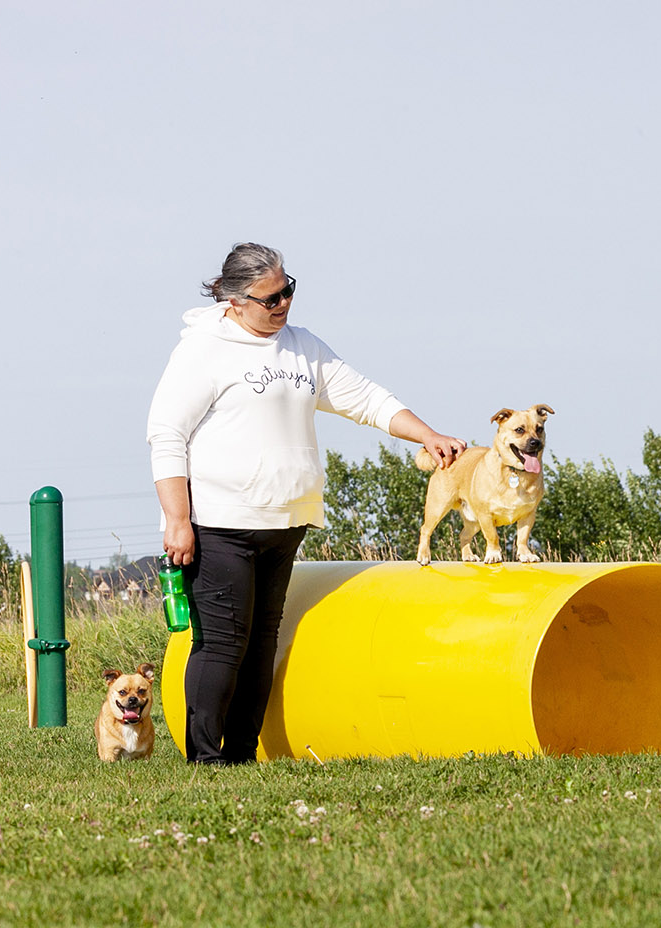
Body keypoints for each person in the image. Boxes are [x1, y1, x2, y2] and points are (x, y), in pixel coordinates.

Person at [146, 242, 465, 765]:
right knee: (225, 644)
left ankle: (243, 755)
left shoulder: (302, 347)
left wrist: (425, 434)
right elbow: (165, 435)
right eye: (270, 298)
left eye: (288, 290)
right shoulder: (203, 350)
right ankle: (205, 759)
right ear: (234, 300)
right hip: (219, 522)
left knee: (261, 644)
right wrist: (178, 519)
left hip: (285, 521)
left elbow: (365, 399)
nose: (283, 304)